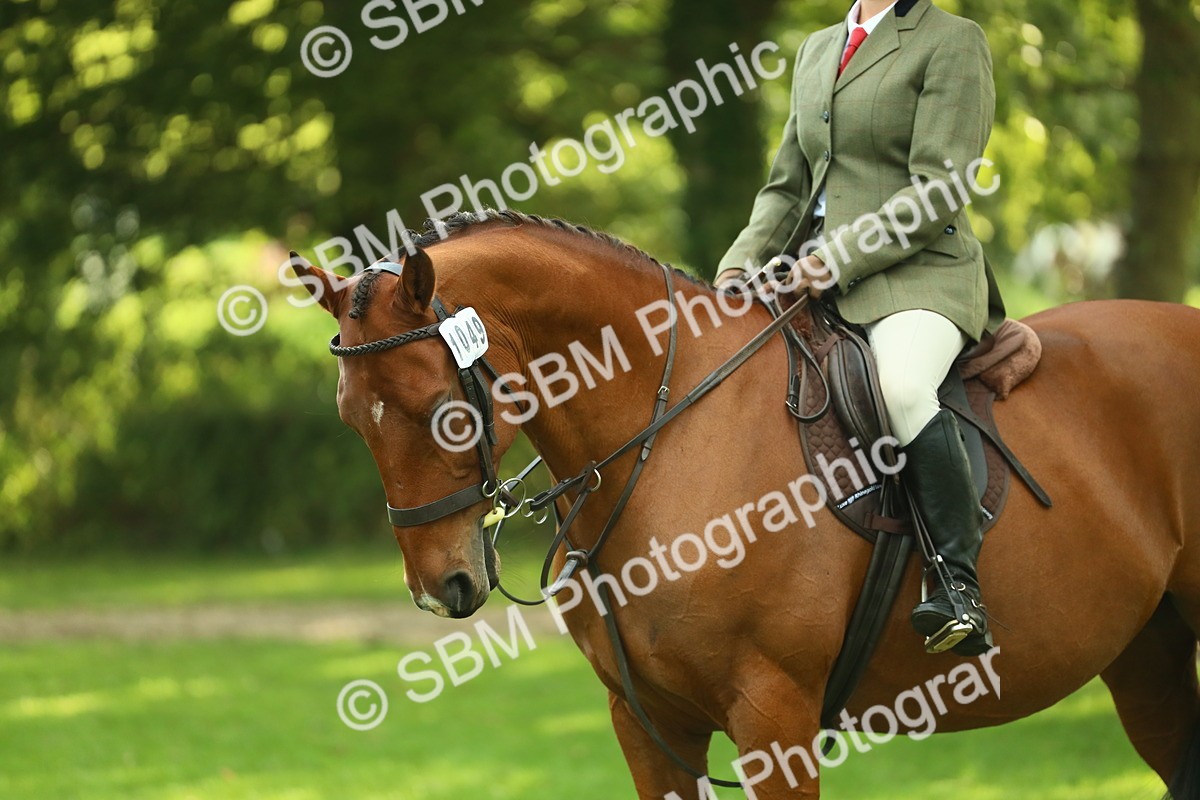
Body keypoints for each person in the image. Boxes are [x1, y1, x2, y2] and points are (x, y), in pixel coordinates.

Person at [716, 0, 1006, 655]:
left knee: (901, 387)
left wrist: (837, 258)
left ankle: (957, 584)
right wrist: (737, 267)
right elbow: (786, 189)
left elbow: (940, 187)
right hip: (805, 271)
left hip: (916, 272)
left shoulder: (951, 41)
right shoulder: (819, 47)